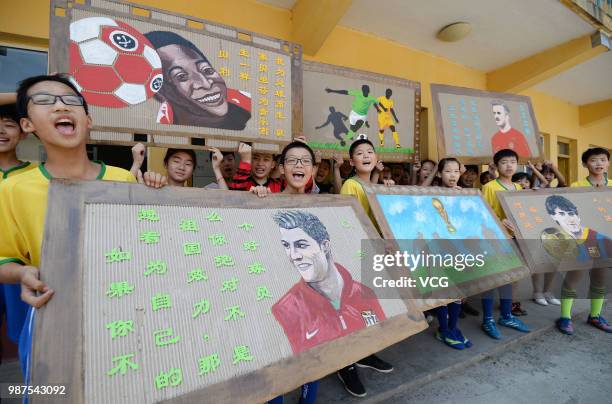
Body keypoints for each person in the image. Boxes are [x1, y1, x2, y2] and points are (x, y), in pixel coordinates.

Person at [0, 75, 167, 382]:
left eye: (70, 100)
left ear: (88, 120)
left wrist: (157, 194)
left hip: (124, 316)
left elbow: (145, 244)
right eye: (45, 101)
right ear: (27, 125)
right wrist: (21, 273)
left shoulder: (123, 179)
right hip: (55, 323)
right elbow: (4, 259)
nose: (61, 106)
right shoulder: (13, 189)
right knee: (51, 395)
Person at [250, 141, 321, 404]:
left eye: (305, 161)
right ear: (281, 169)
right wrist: (254, 197)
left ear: (313, 168)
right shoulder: (265, 199)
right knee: (277, 355)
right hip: (278, 294)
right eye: (292, 161)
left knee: (312, 358)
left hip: (312, 297)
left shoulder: (325, 208)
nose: (299, 165)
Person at [338, 138, 394, 397]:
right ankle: (346, 364)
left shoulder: (377, 185)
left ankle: (366, 352)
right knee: (351, 311)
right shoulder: (351, 184)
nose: (366, 155)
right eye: (360, 153)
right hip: (355, 254)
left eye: (370, 151)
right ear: (352, 162)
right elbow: (347, 221)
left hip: (375, 256)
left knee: (370, 309)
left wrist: (387, 192)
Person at [145, 31, 251, 129]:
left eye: (207, 70)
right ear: (159, 92)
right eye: (181, 76)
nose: (206, 83)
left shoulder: (247, 122)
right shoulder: (160, 129)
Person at [555, 147, 611, 335]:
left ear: (608, 163)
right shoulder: (576, 186)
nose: (599, 164)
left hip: (604, 240)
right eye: (594, 160)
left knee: (600, 278)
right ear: (585, 164)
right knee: (574, 278)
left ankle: (595, 315)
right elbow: (566, 214)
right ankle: (565, 317)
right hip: (581, 239)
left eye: (603, 160)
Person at [480, 149, 530, 338]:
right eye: (504, 162)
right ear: (496, 166)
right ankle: (488, 319)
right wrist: (499, 222)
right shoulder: (490, 187)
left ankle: (506, 316)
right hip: (495, 240)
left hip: (514, 240)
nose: (509, 165)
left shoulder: (518, 189)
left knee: (508, 278)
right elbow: (483, 213)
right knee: (491, 280)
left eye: (512, 162)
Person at [433, 158, 473, 349]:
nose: (452, 175)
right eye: (448, 171)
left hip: (459, 250)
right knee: (443, 292)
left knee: (457, 292)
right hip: (439, 251)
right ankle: (443, 330)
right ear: (439, 174)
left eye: (456, 171)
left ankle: (453, 327)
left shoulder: (466, 195)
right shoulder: (429, 195)